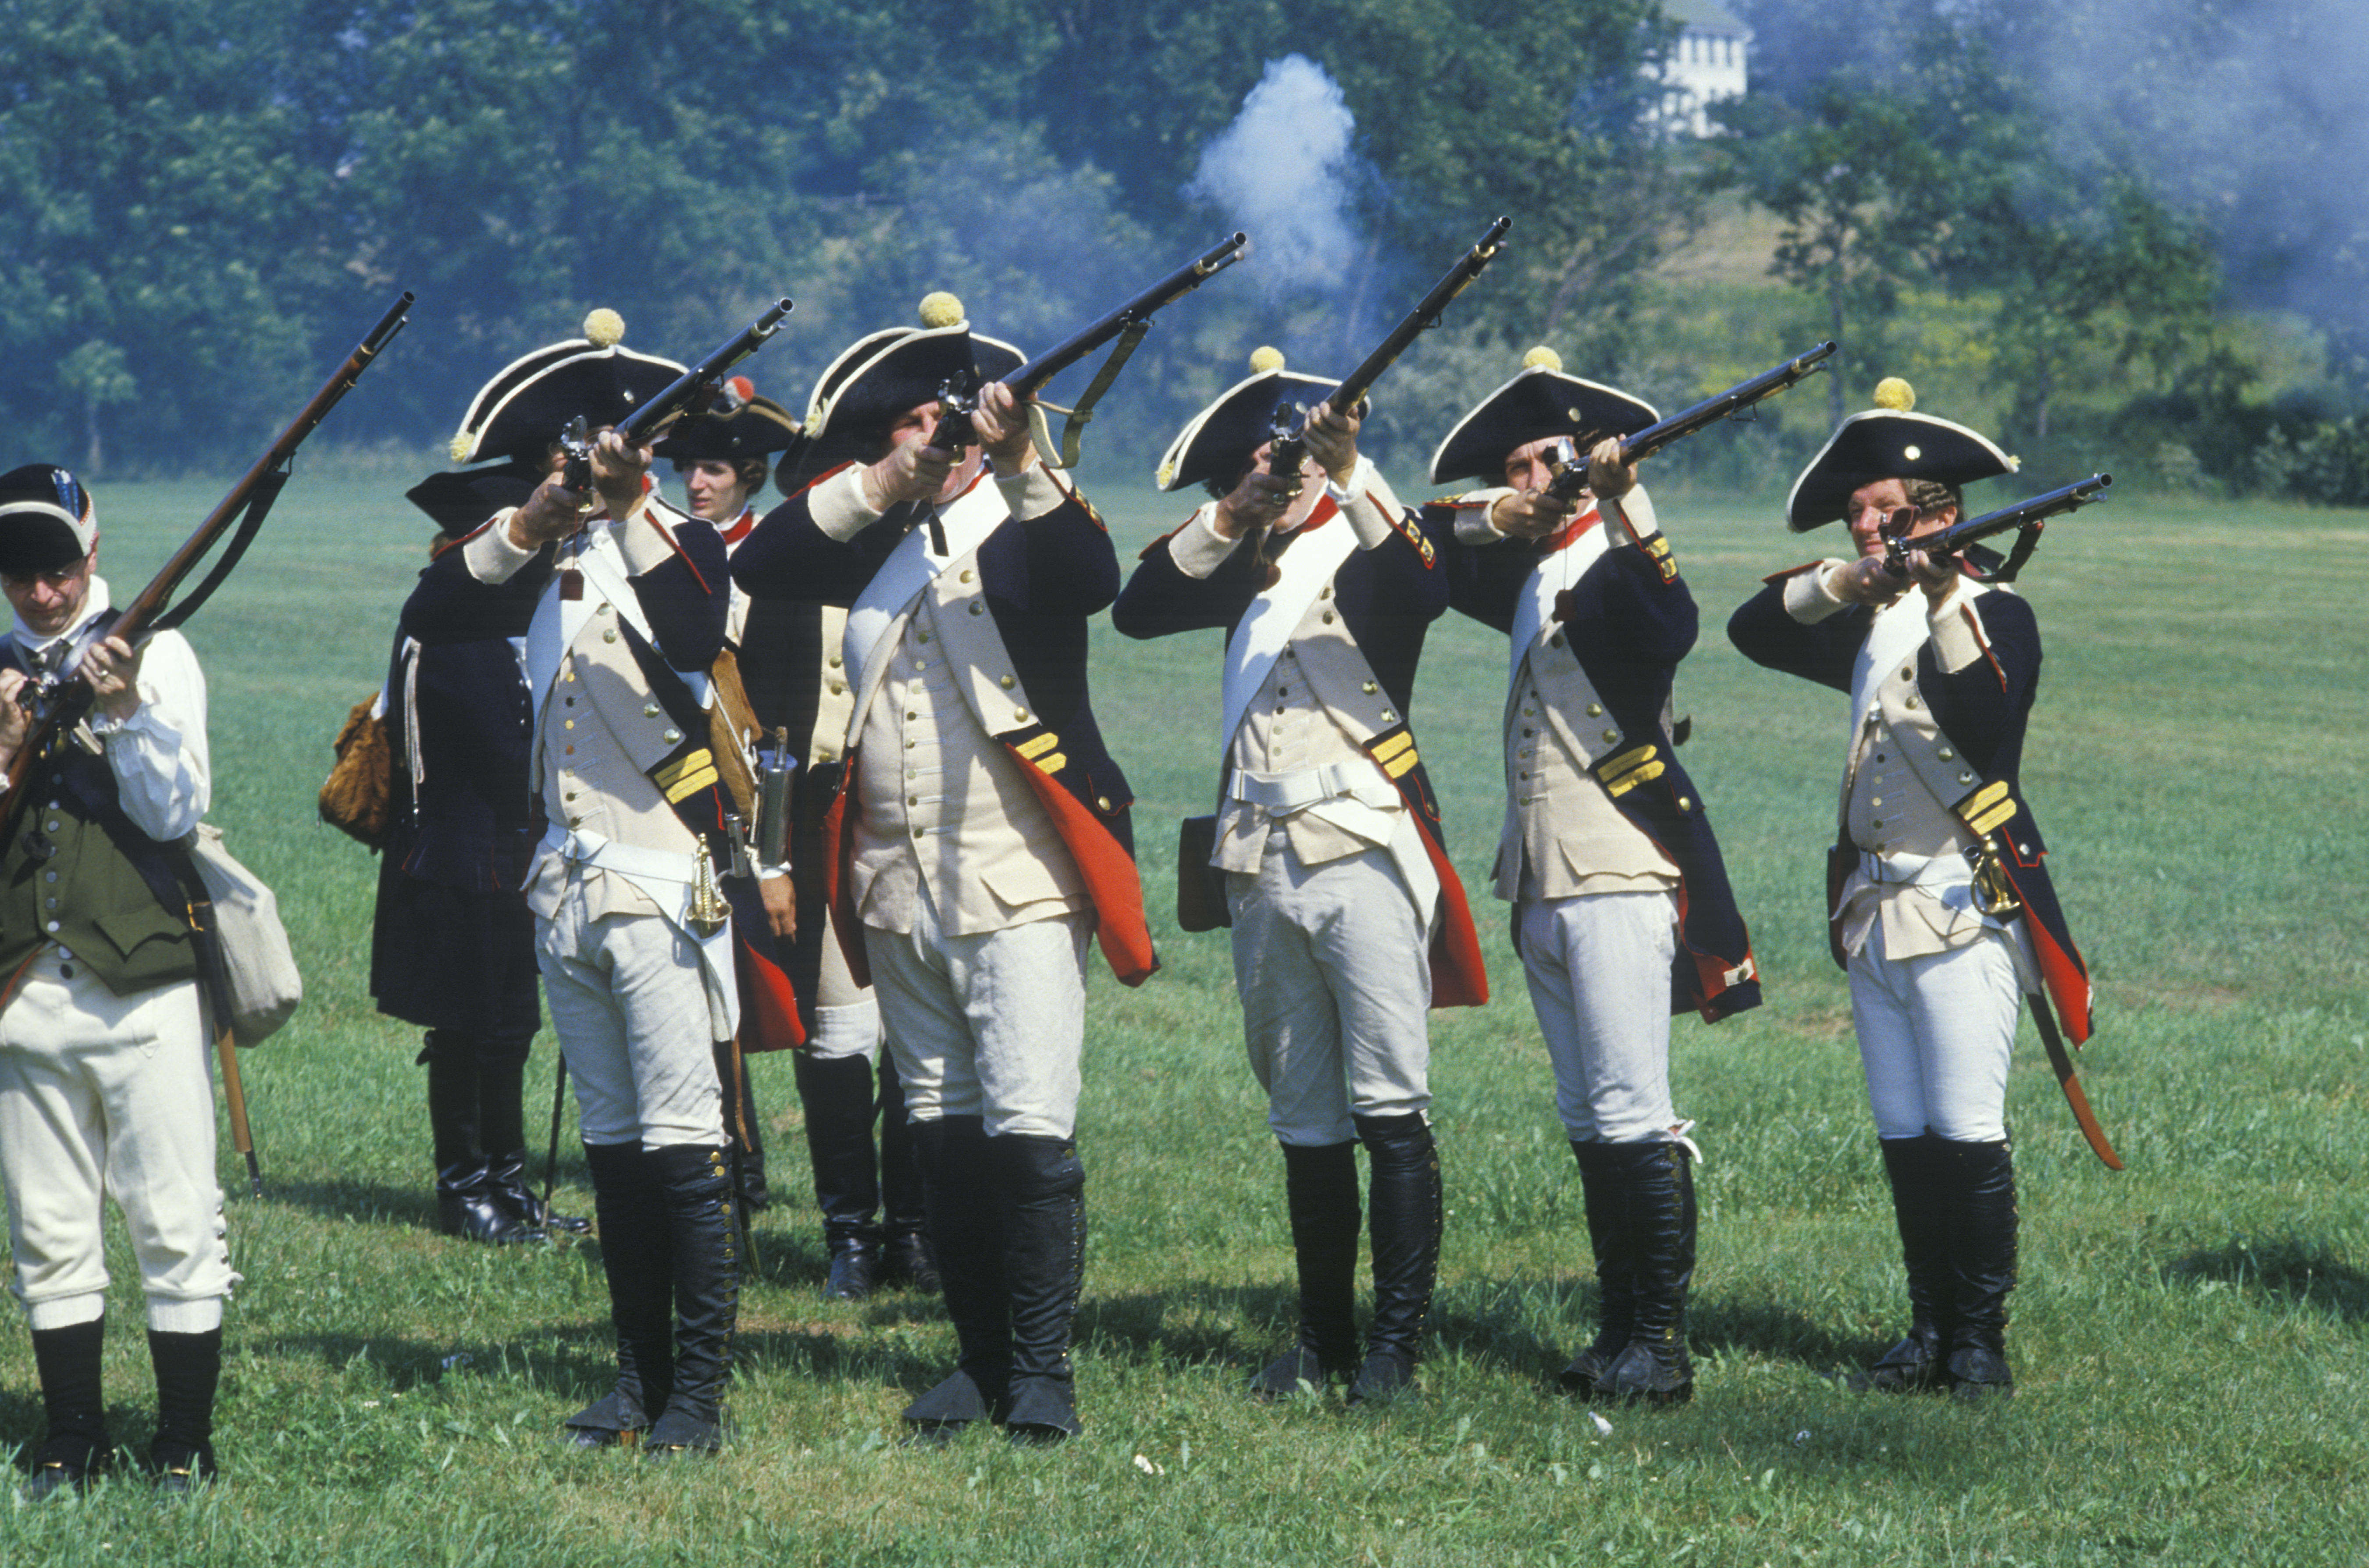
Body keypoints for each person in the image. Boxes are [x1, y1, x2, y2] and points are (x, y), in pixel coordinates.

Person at [732, 294, 1154, 1443]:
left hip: (1016, 881)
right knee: (942, 1132)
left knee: (1029, 1130)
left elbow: (1089, 578)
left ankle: (1041, 1372)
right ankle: (978, 1361)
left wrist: (1018, 455)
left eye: (946, 422)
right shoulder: (875, 538)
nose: (936, 437)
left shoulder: (1023, 522)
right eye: (913, 425)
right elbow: (765, 560)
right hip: (894, 887)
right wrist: (884, 481)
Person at [401, 310, 788, 1454]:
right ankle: (637, 1380)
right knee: (615, 1151)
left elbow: (693, 632)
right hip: (566, 891)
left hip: (660, 885)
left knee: (683, 1148)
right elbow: (434, 614)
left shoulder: (682, 541)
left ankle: (696, 1399)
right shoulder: (536, 553)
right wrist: (537, 517)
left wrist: (624, 509)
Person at [1111, 348, 1486, 1406]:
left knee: (1391, 1106)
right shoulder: (1239, 556)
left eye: (1294, 462)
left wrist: (1352, 468)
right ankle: (1321, 1341)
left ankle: (1393, 1351)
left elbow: (1423, 585)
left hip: (1360, 846)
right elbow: (1137, 609)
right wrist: (1234, 513)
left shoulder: (1363, 542)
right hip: (1255, 854)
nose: (1287, 478)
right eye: (1263, 466)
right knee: (1305, 1114)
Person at [1726, 378, 2093, 1401]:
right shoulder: (1866, 615)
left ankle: (1977, 1343)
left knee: (1966, 1132)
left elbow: (1980, 726)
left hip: (1959, 904)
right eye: (1855, 515)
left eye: (1881, 509)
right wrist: (1851, 579)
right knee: (1903, 1135)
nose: (1864, 524)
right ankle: (1927, 1330)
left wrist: (1936, 596)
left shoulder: (1995, 615)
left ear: (1939, 513)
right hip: (1871, 910)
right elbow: (1751, 629)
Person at [1425, 348, 1760, 1405]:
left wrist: (1627, 498)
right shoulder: (1524, 568)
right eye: (1517, 466)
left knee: (1632, 1110)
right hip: (1540, 873)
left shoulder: (1615, 563)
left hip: (1615, 867)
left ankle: (1658, 1344)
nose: (1533, 477)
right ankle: (1618, 1330)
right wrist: (1507, 513)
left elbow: (1672, 625)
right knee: (1586, 1118)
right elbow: (1423, 543)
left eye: (1548, 459)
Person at [659, 399, 935, 1301]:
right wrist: (769, 858)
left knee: (917, 1033)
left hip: (904, 821)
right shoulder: (772, 578)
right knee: (838, 1036)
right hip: (812, 822)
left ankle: (915, 1229)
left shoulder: (925, 565)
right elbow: (756, 739)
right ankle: (849, 1231)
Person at [0, 464, 237, 1494]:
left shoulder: (159, 652)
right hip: (24, 988)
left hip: (142, 986)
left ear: (92, 553)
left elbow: (175, 813)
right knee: (49, 1228)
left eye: (56, 568)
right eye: (19, 573)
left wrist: (127, 705)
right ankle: (71, 1437)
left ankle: (183, 1442)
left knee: (176, 1222)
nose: (42, 591)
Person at [372, 467, 587, 1245]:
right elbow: (503, 749)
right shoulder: (455, 632)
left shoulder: (506, 630)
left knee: (512, 1026)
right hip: (462, 854)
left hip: (511, 850)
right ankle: (464, 1189)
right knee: (467, 1029)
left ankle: (507, 1181)